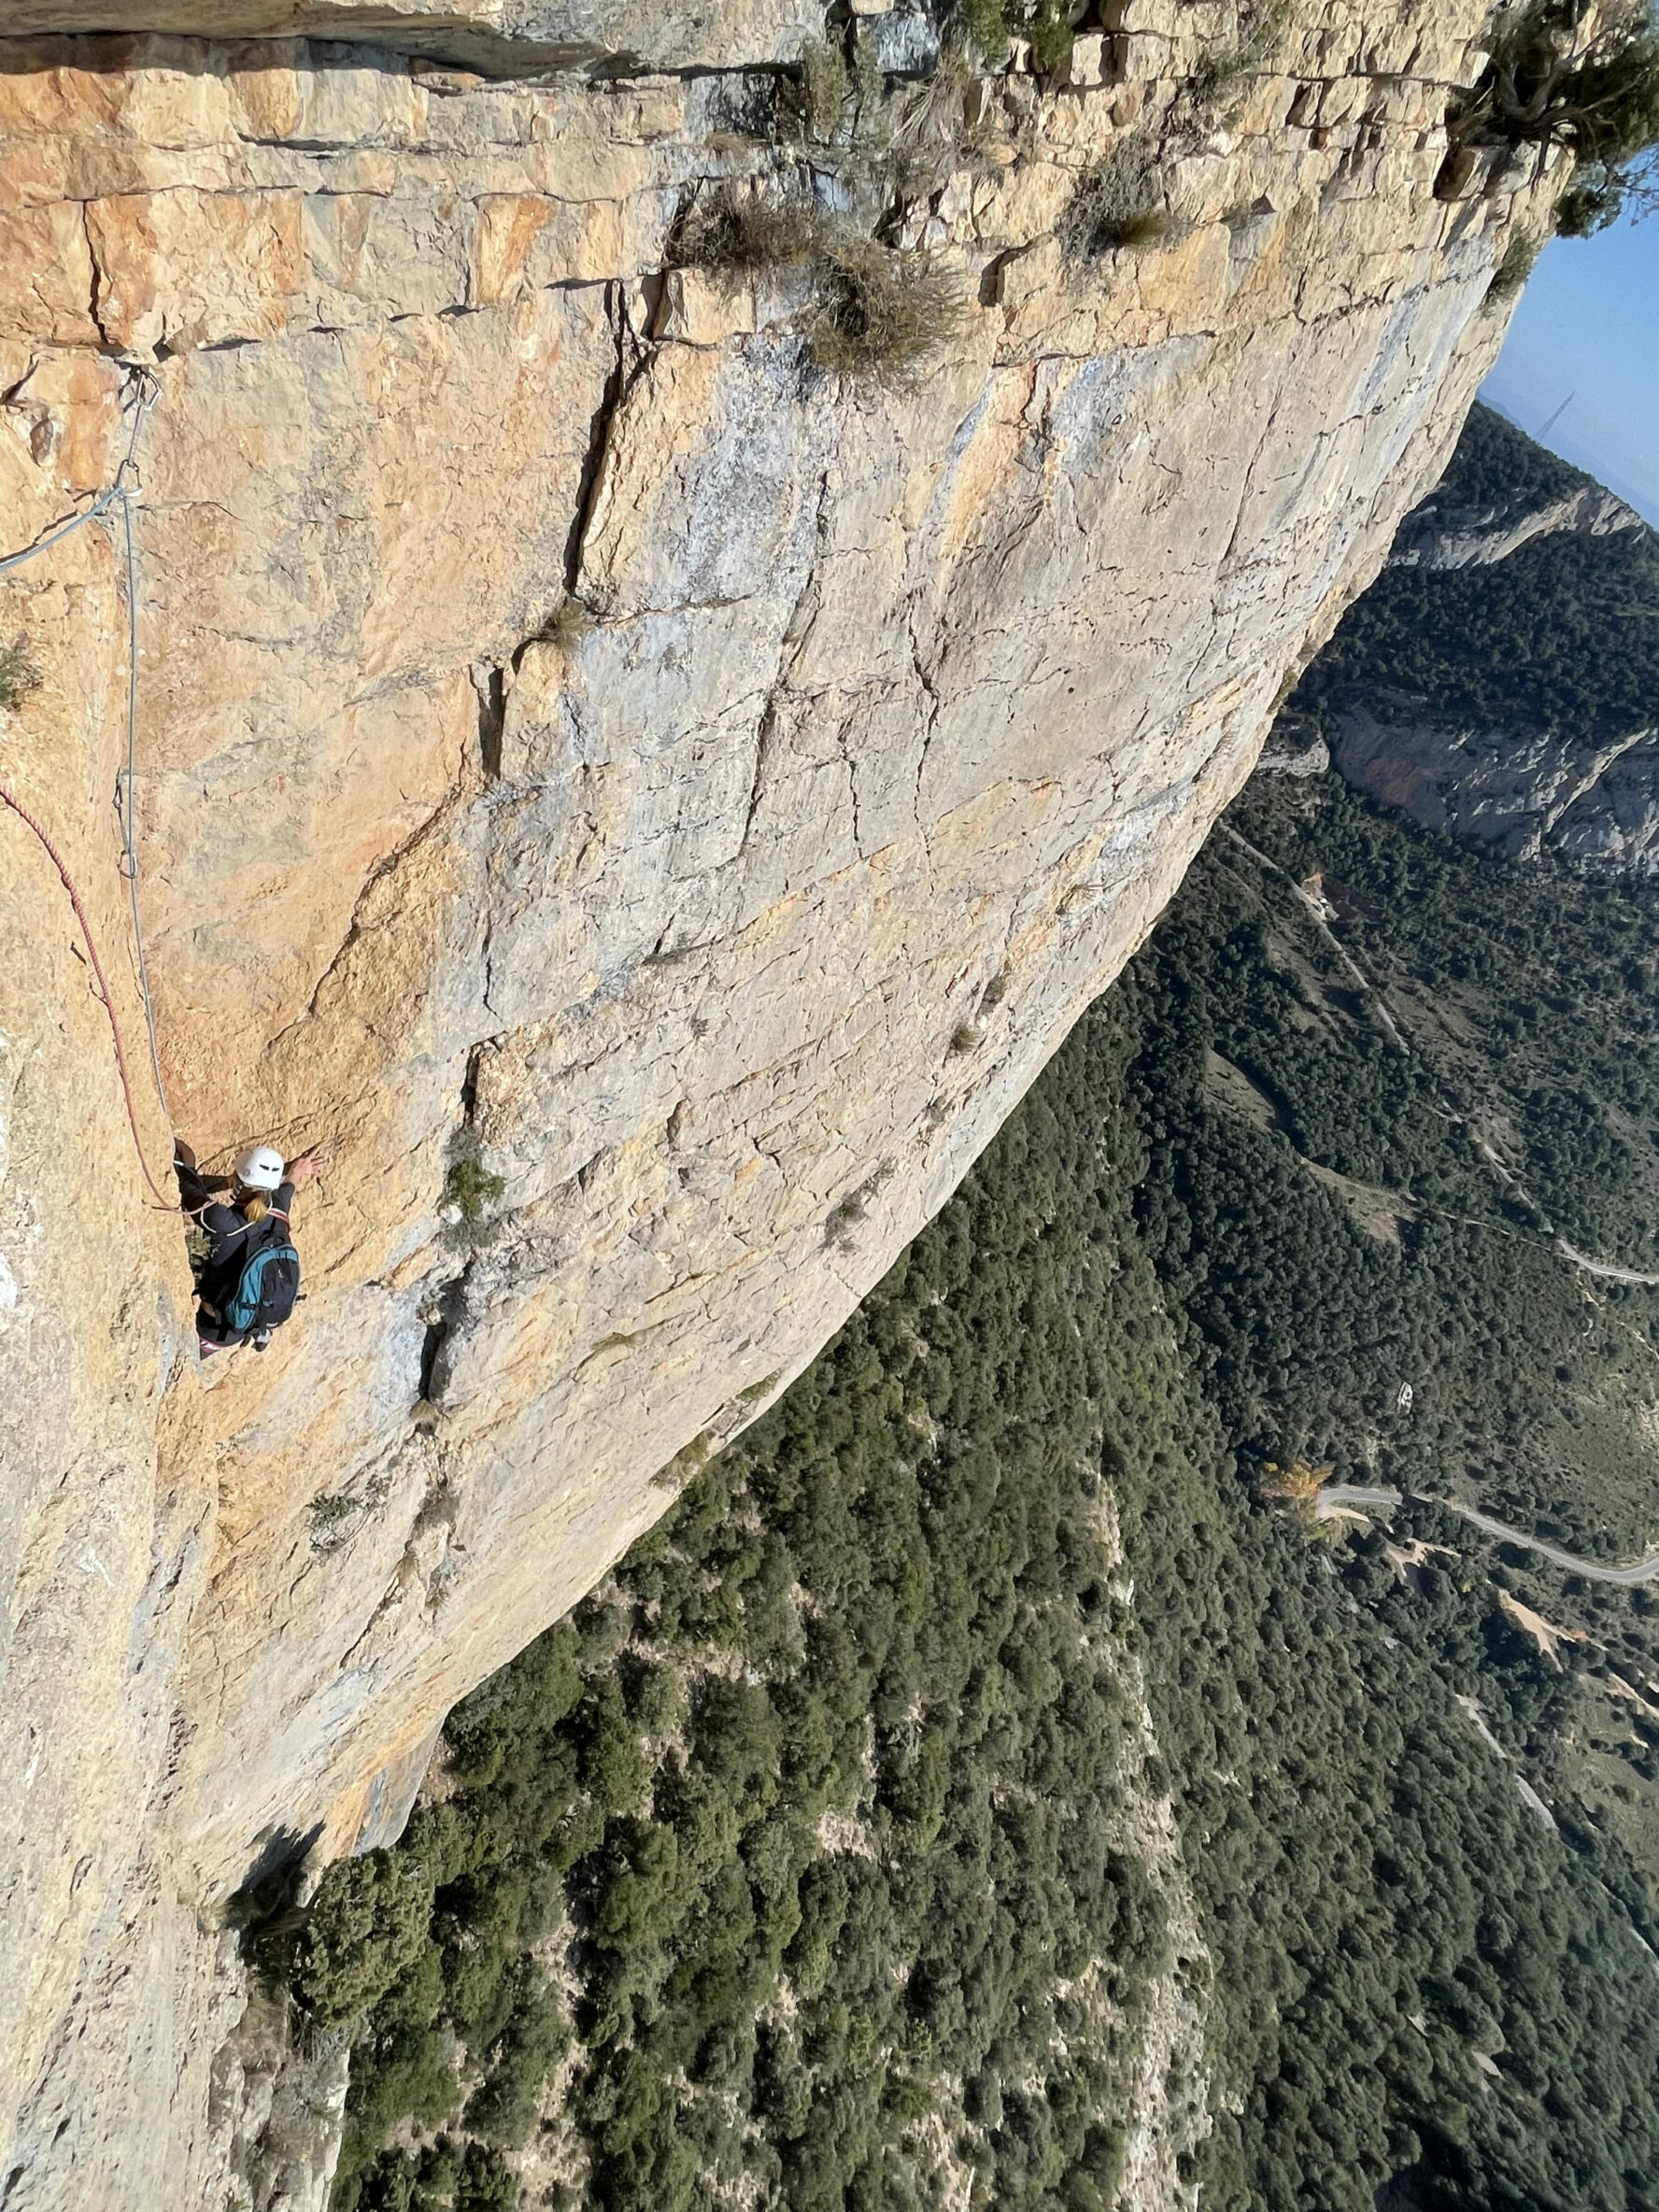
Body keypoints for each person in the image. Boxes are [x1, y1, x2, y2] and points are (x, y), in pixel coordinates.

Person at [174, 1139, 325, 1358]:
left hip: (210, 1327)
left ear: (237, 1178)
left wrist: (183, 1154)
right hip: (236, 1327)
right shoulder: (278, 1214)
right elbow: (287, 1189)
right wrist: (297, 1171)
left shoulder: (222, 1222)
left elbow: (189, 1188)